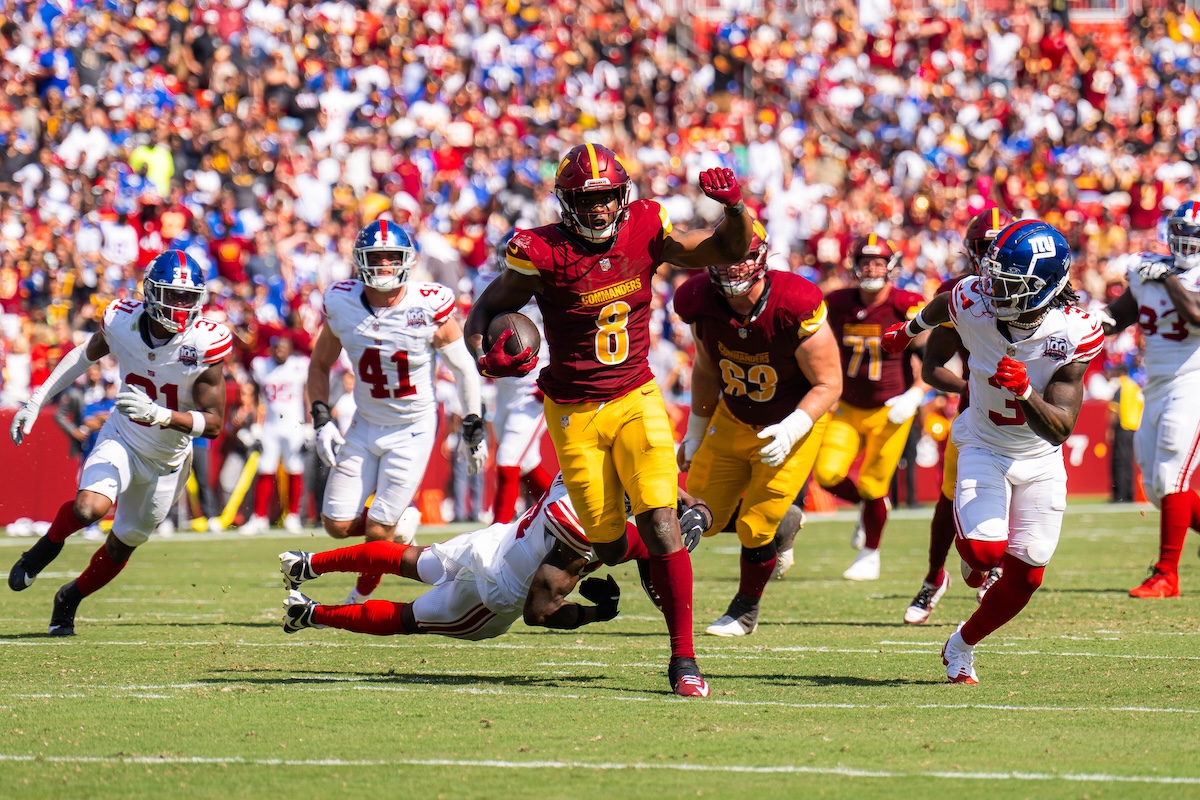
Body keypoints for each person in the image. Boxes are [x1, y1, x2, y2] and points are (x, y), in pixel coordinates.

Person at [464, 144, 752, 697]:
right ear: (567, 202)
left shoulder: (646, 225)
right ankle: (663, 545)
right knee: (611, 544)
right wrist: (483, 354)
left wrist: (735, 207)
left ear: (621, 197)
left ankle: (684, 660)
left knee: (660, 522)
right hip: (572, 411)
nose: (597, 210)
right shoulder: (540, 250)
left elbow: (722, 248)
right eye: (585, 200)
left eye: (604, 198)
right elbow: (485, 307)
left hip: (635, 395)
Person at [883, 219, 1104, 683]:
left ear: (1046, 287)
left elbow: (1060, 428)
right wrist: (908, 330)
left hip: (1040, 458)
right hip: (983, 443)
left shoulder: (1076, 332)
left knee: (1028, 573)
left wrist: (1026, 393)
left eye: (1009, 284)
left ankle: (960, 645)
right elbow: (946, 303)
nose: (994, 291)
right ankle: (969, 560)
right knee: (983, 554)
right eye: (993, 277)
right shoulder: (974, 299)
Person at [8, 249, 229, 635]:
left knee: (122, 544)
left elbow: (214, 424)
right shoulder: (122, 321)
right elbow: (85, 355)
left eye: (188, 297)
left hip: (168, 460)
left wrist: (163, 415)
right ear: (150, 292)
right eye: (172, 295)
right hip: (123, 437)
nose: (181, 306)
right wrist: (37, 398)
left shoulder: (205, 343)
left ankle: (69, 598)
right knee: (89, 507)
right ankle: (43, 549)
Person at [279, 474, 712, 642]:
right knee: (409, 617)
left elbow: (644, 477)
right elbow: (539, 613)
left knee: (408, 559)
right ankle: (312, 614)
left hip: (492, 543)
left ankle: (309, 562)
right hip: (494, 595)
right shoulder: (588, 531)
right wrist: (596, 615)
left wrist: (690, 502)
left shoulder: (580, 471)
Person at [674, 220, 842, 636]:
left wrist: (793, 427)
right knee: (700, 518)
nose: (733, 267)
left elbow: (829, 383)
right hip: (733, 416)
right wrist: (695, 429)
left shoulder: (793, 301)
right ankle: (784, 524)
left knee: (754, 526)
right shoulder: (698, 300)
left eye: (743, 256)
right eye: (725, 256)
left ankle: (745, 610)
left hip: (793, 421)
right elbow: (706, 369)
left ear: (762, 257)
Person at [307, 220, 484, 605]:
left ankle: (360, 595)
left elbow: (463, 367)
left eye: (392, 257)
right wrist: (321, 418)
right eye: (376, 257)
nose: (385, 265)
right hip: (364, 423)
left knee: (376, 532)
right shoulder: (341, 302)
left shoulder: (427, 304)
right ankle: (400, 526)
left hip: (413, 429)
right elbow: (320, 364)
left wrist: (473, 421)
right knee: (335, 525)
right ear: (360, 261)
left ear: (407, 261)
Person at [905, 207, 1013, 625]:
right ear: (973, 251)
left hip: (1033, 418)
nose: (994, 256)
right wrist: (972, 388)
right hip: (979, 418)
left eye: (1001, 246)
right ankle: (935, 577)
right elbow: (932, 365)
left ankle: (998, 571)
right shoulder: (961, 293)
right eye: (987, 247)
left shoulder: (1048, 290)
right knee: (951, 496)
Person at [813, 235, 929, 581]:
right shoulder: (837, 302)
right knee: (827, 474)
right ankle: (869, 510)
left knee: (874, 484)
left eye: (878, 262)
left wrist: (914, 395)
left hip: (889, 409)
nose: (871, 268)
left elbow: (933, 357)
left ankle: (871, 554)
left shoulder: (905, 304)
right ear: (854, 266)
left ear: (891, 267)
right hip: (848, 406)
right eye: (865, 262)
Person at [1101, 201, 1200, 599]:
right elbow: (1117, 316)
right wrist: (1080, 322)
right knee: (1158, 488)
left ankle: (1166, 575)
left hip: (1194, 382)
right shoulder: (1145, 271)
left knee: (1172, 472)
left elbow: (1196, 316)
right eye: (1181, 231)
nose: (1185, 240)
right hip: (1155, 386)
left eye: (1193, 233)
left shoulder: (1168, 276)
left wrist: (1170, 280)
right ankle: (1165, 572)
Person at [473, 248, 554, 524]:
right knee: (526, 462)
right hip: (503, 387)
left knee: (508, 459)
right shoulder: (486, 282)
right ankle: (568, 519)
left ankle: (497, 535)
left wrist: (554, 373)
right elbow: (477, 322)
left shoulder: (551, 282)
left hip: (535, 386)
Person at [242, 335, 311, 535]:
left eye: (283, 348)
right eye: (277, 348)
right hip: (271, 425)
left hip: (294, 425)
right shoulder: (262, 367)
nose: (280, 352)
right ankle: (259, 517)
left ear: (290, 349)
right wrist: (256, 425)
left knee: (294, 468)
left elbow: (307, 396)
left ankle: (293, 516)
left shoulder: (299, 366)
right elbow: (255, 396)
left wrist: (308, 425)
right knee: (265, 469)